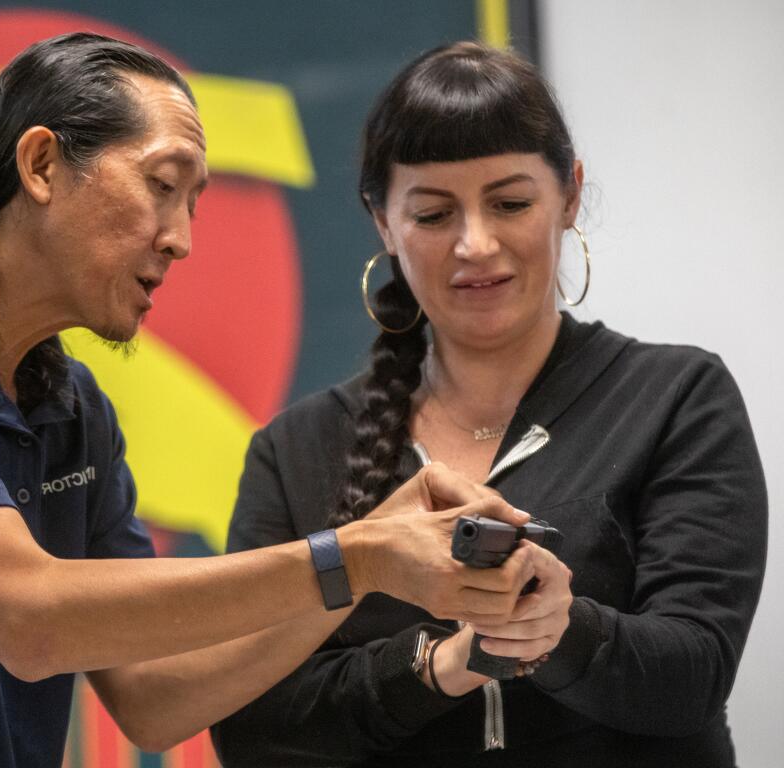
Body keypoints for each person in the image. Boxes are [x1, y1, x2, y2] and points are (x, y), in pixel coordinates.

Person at [0, 33, 549, 768]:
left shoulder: (73, 406)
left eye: (195, 201)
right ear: (40, 165)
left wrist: (365, 577)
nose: (180, 238)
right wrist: (356, 556)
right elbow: (29, 620)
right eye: (162, 185)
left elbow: (152, 699)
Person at [211, 41, 767, 768]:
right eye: (435, 215)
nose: (476, 244)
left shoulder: (677, 398)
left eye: (509, 203)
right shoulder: (295, 450)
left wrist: (561, 628)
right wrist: (440, 666)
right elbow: (250, 728)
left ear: (569, 195)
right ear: (383, 221)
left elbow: (691, 675)